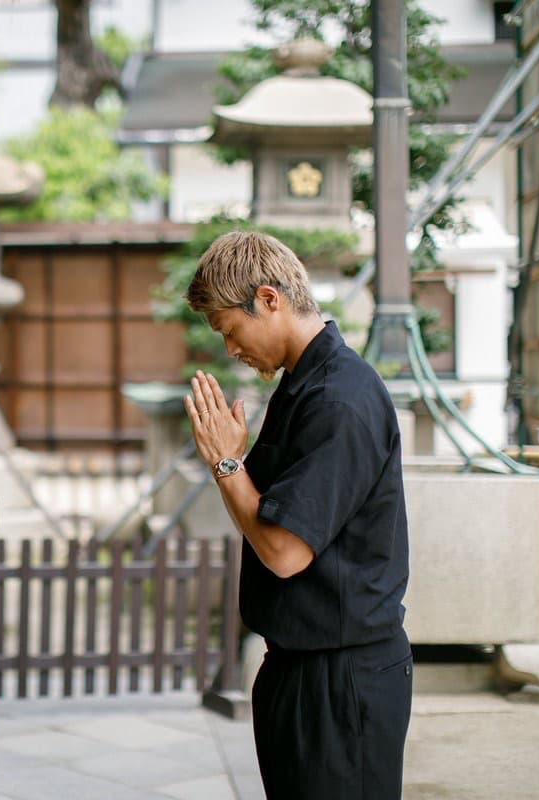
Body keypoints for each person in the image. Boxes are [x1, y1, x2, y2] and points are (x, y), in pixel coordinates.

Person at [182, 230, 412, 799]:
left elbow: (285, 552)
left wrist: (228, 463)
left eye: (230, 332)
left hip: (340, 681)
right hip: (305, 670)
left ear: (268, 299)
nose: (231, 350)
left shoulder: (339, 398)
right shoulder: (303, 384)